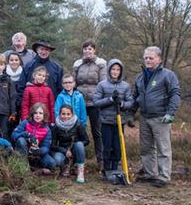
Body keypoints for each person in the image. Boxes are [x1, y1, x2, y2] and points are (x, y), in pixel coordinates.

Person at [133, 46, 180, 188]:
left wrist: (170, 113)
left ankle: (164, 176)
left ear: (159, 59)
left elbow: (175, 94)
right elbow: (136, 97)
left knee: (163, 148)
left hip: (161, 117)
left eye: (151, 58)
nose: (148, 60)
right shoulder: (140, 77)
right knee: (146, 148)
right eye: (146, 57)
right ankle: (149, 174)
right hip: (144, 117)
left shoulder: (168, 75)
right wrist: (130, 114)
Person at [93, 59, 134, 182]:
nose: (115, 72)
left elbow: (131, 102)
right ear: (109, 70)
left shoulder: (126, 86)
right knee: (107, 146)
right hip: (106, 121)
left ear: (121, 71)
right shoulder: (102, 85)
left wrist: (121, 104)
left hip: (119, 121)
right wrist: (110, 100)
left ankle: (115, 169)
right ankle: (106, 170)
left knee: (117, 147)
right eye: (113, 69)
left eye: (117, 70)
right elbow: (96, 102)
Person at [72, 39, 106, 167]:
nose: (87, 51)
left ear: (94, 50)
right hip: (80, 102)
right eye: (85, 49)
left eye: (90, 49)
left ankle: (101, 160)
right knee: (77, 130)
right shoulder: (78, 64)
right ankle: (77, 159)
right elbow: (73, 83)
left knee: (97, 132)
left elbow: (103, 83)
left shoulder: (100, 64)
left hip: (95, 103)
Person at [16, 40, 63, 109]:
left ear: (50, 51)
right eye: (41, 49)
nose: (44, 52)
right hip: (31, 107)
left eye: (46, 50)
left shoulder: (57, 68)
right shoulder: (28, 66)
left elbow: (60, 88)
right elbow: (21, 86)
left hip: (50, 106)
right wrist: (22, 104)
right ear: (37, 50)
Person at [50, 105, 89, 183]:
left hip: (75, 150)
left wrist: (75, 146)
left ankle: (80, 171)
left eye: (68, 114)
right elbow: (53, 145)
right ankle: (66, 167)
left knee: (79, 144)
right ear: (59, 114)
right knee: (57, 159)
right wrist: (65, 151)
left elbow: (86, 141)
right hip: (63, 150)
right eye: (63, 114)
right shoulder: (56, 126)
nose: (66, 116)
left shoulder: (78, 124)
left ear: (72, 114)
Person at [11, 103, 53, 175]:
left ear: (44, 115)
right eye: (35, 113)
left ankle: (34, 167)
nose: (38, 115)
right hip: (24, 149)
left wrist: (39, 151)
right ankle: (23, 167)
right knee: (21, 140)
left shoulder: (47, 129)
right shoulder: (26, 122)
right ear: (32, 114)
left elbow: (46, 147)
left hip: (36, 151)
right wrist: (27, 134)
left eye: (40, 113)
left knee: (51, 163)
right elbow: (14, 135)